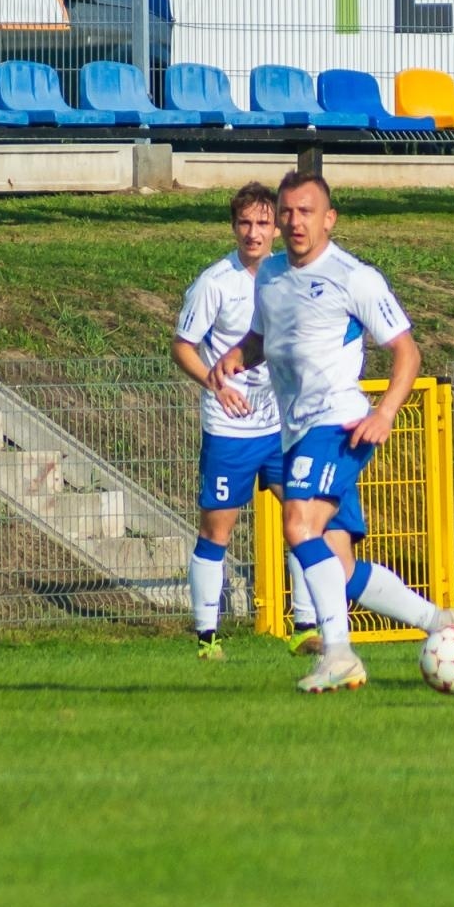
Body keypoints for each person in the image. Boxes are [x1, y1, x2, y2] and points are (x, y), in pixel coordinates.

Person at [210, 171, 454, 693]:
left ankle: (338, 653)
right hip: (298, 429)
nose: (294, 221)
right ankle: (439, 622)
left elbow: (406, 350)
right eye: (287, 212)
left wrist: (386, 412)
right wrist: (239, 355)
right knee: (341, 565)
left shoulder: (355, 277)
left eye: (306, 211)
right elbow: (266, 336)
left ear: (329, 218)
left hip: (337, 422)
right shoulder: (271, 275)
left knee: (297, 524)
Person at [172, 181, 320, 661]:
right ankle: (206, 637)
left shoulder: (289, 277)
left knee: (305, 518)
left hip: (281, 426)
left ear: (277, 226)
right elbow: (182, 347)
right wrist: (218, 385)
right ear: (233, 228)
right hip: (230, 428)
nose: (254, 233)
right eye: (245, 224)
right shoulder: (215, 282)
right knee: (217, 530)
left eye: (262, 222)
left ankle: (305, 626)